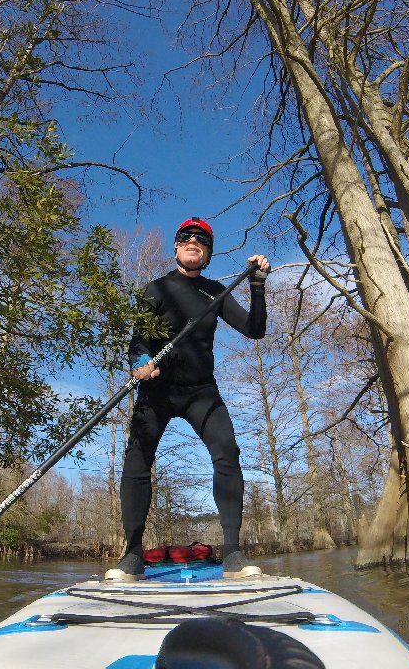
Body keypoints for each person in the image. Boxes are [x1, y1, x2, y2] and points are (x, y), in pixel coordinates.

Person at [106, 217, 270, 581]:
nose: (193, 241)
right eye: (186, 237)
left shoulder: (217, 292)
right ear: (177, 247)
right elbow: (138, 342)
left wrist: (257, 286)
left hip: (201, 391)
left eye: (202, 239)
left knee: (227, 451)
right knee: (137, 458)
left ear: (208, 252)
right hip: (158, 390)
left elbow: (254, 330)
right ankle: (132, 554)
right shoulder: (155, 289)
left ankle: (233, 553)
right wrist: (139, 363)